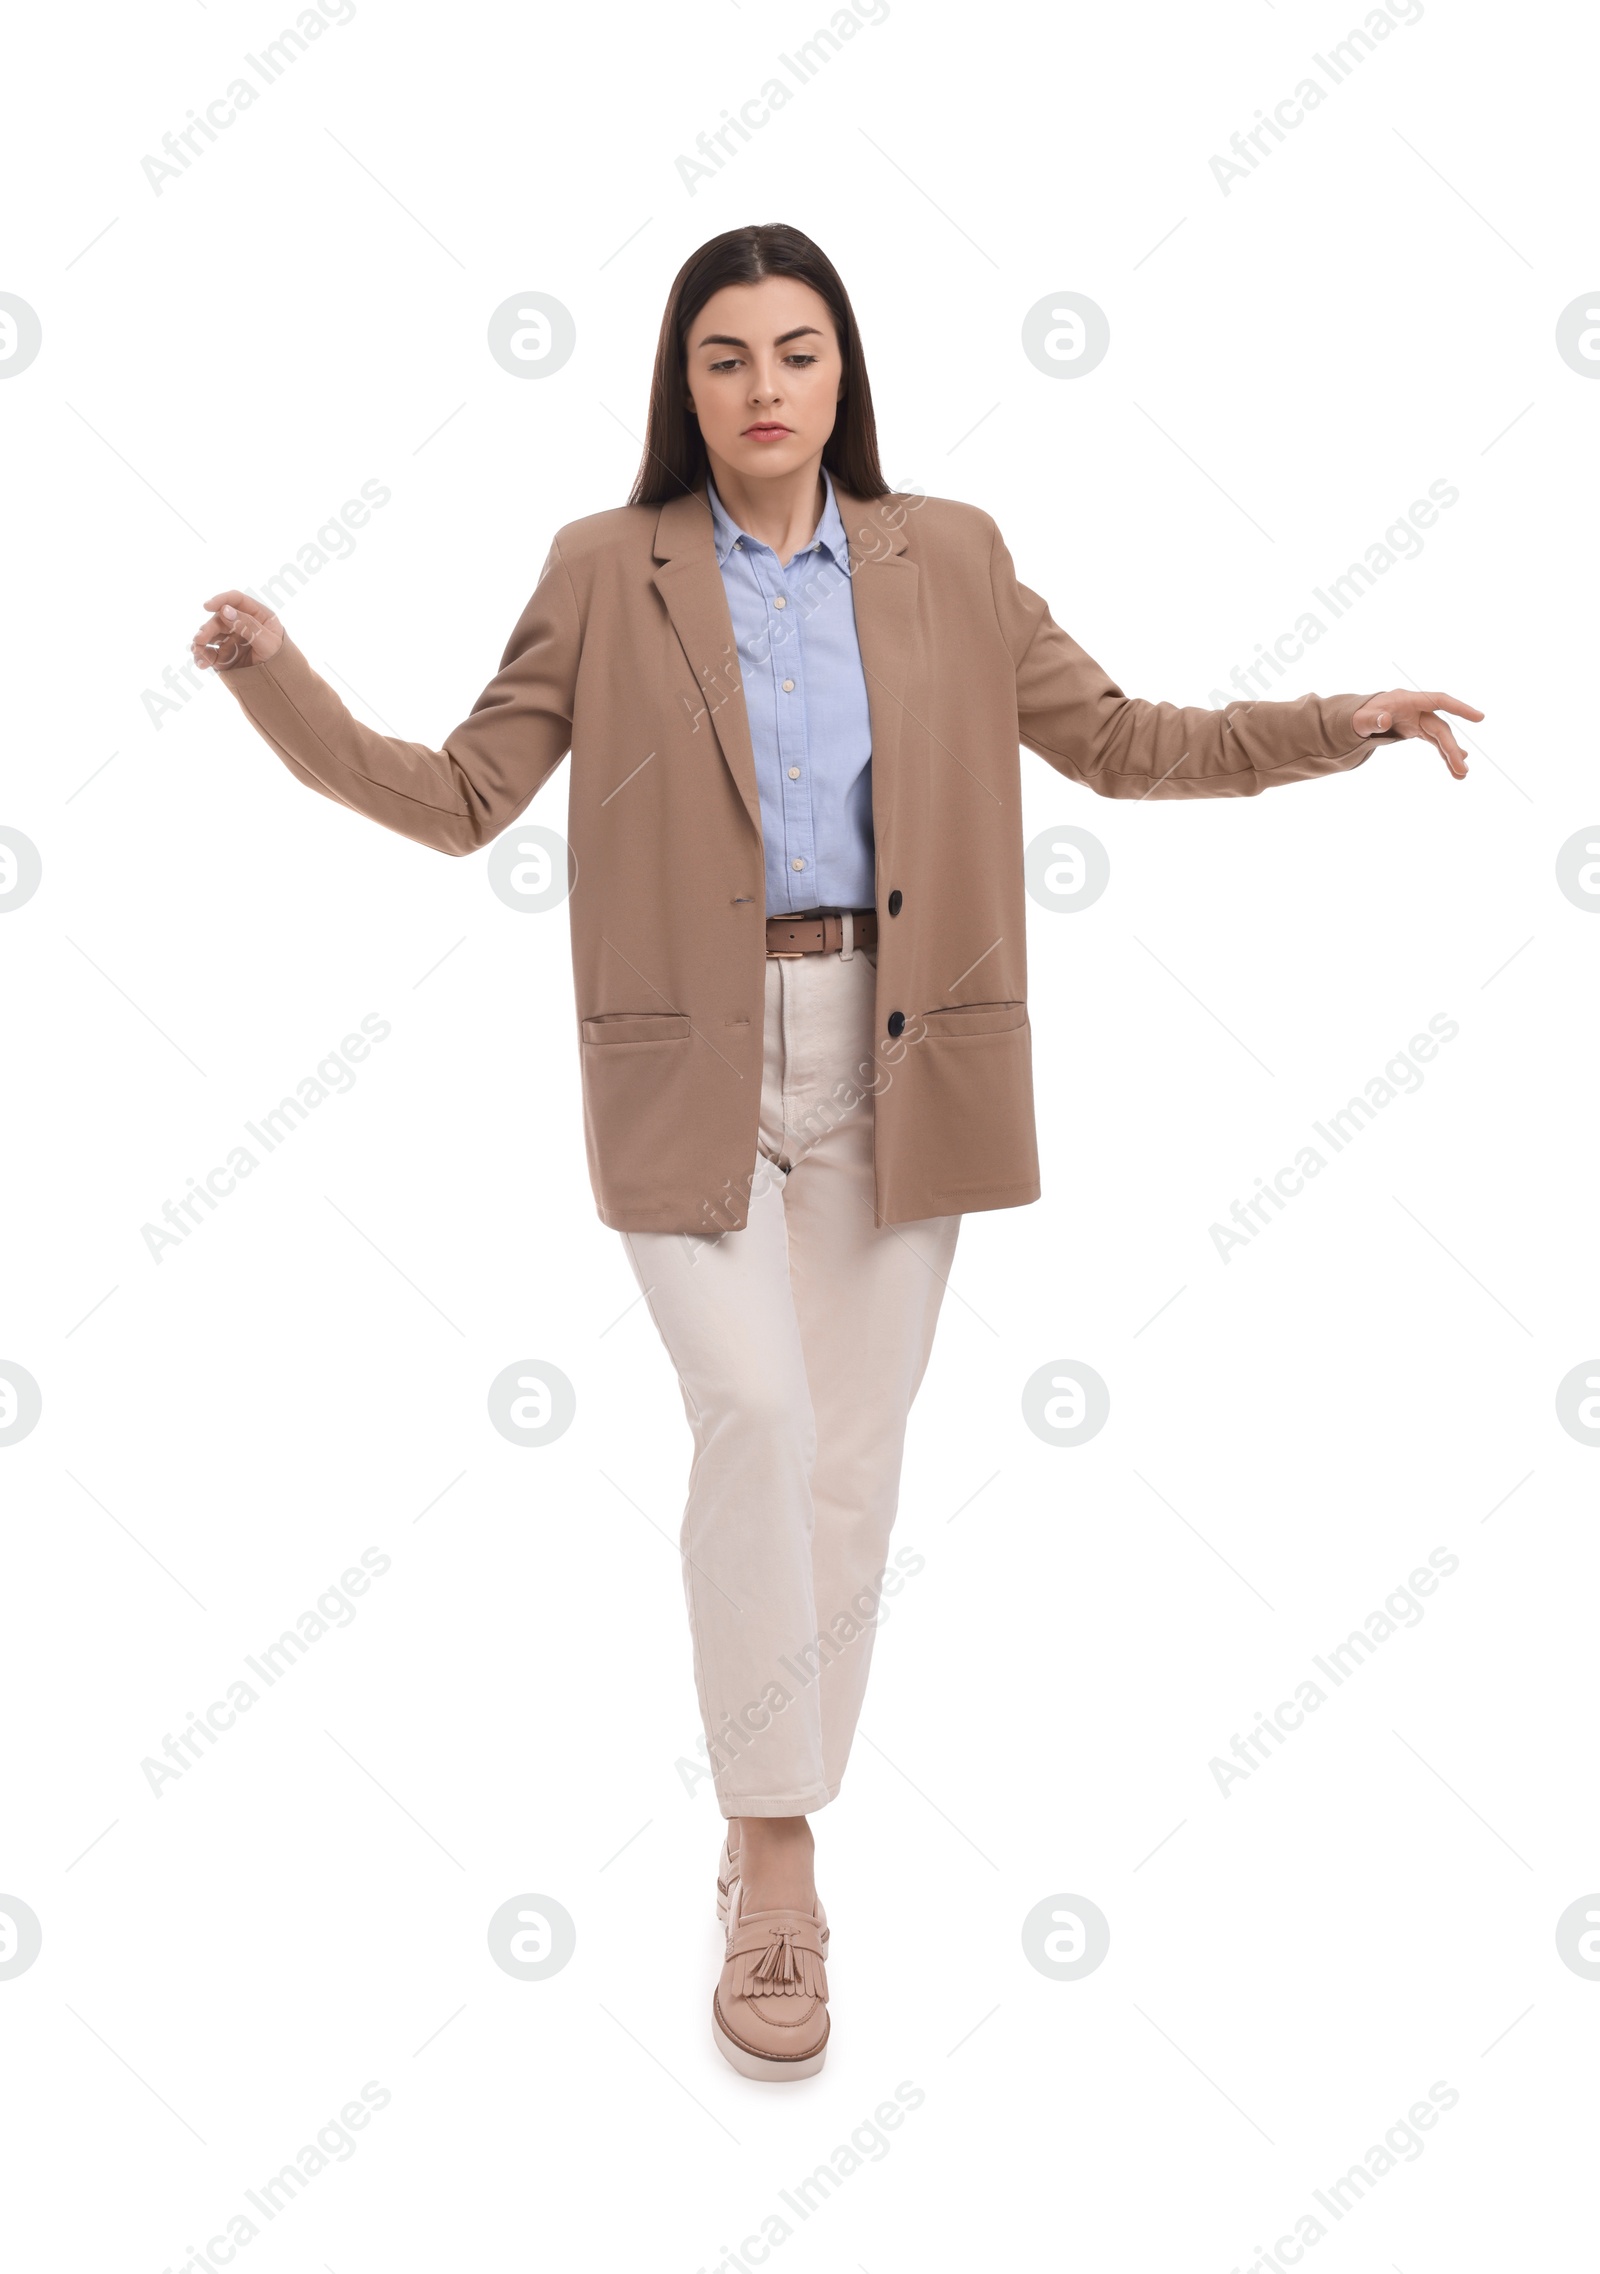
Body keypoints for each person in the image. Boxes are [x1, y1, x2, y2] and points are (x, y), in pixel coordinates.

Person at [190, 220, 1482, 2083]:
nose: (767, 388)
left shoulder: (945, 556)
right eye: (727, 359)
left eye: (799, 352)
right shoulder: (603, 570)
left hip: (907, 1055)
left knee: (852, 1469)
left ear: (844, 372)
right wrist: (278, 679)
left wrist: (1328, 724)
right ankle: (780, 1864)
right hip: (687, 1061)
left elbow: (1118, 739)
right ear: (683, 385)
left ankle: (764, 1816)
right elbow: (463, 797)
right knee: (761, 1418)